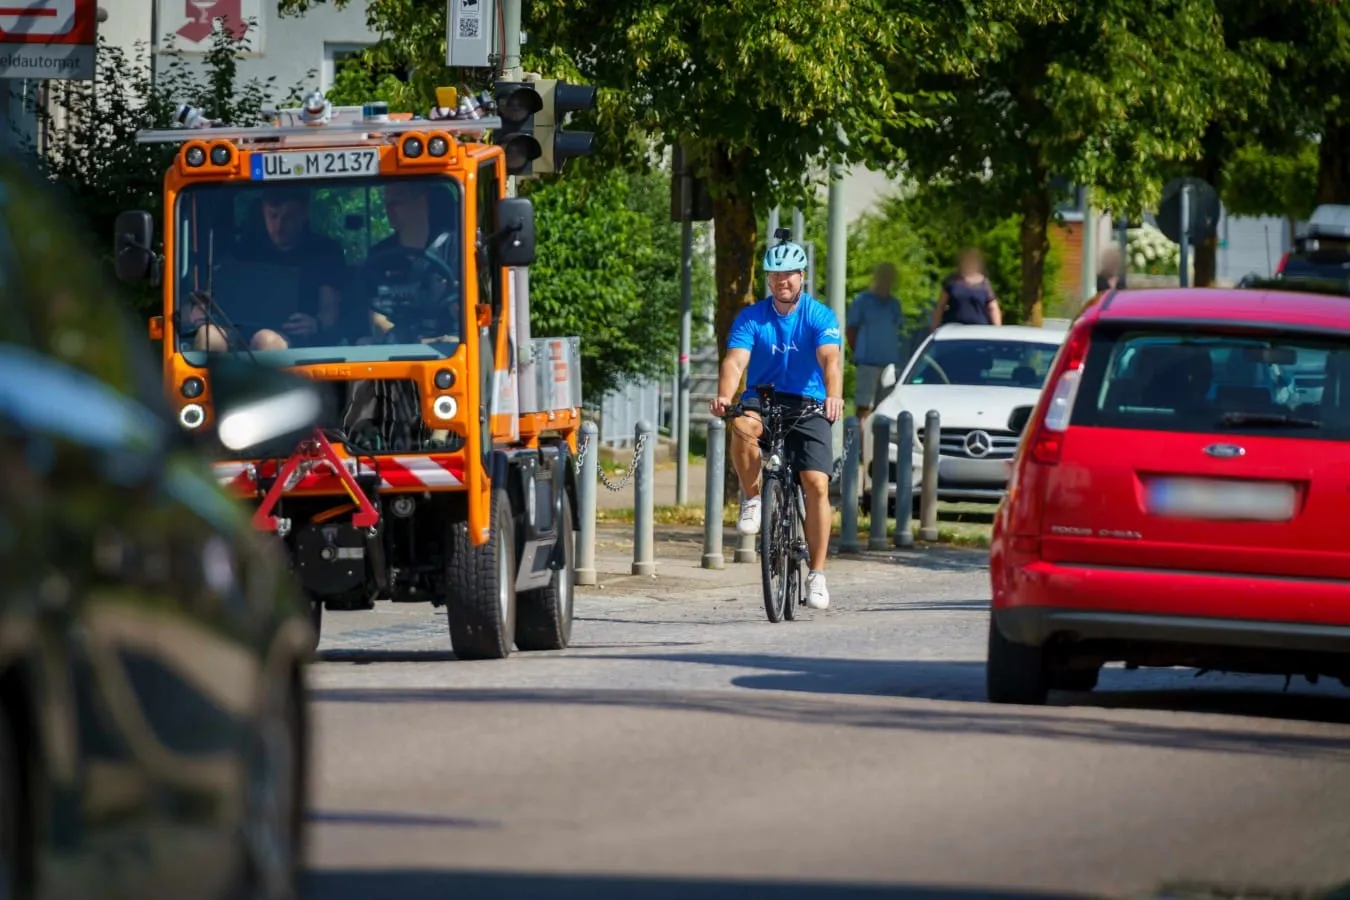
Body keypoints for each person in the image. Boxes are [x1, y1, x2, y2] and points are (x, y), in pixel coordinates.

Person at [710, 237, 844, 610]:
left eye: (788, 274)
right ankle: (753, 499)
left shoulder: (819, 316)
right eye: (773, 275)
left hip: (809, 401)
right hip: (764, 396)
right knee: (742, 425)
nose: (780, 280)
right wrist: (725, 395)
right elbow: (735, 361)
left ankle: (816, 574)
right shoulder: (752, 317)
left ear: (802, 275)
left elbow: (830, 359)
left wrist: (834, 394)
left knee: (816, 483)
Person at [193, 186, 346, 351]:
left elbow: (330, 312)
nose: (279, 226)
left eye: (289, 217)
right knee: (208, 336)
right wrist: (199, 310)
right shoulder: (242, 250)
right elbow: (206, 295)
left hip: (292, 337)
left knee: (265, 341)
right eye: (273, 216)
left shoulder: (325, 252)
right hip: (237, 329)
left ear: (304, 214)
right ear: (263, 211)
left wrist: (316, 323)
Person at [846, 261, 904, 425]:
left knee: (885, 409)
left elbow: (897, 332)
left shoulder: (894, 304)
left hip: (889, 365)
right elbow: (851, 330)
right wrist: (860, 352)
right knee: (865, 408)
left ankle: (880, 448)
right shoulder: (862, 301)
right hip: (868, 363)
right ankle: (862, 450)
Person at [931, 246, 1002, 330]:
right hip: (954, 330)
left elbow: (993, 308)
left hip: (980, 330)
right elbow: (940, 306)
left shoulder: (984, 284)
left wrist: (997, 330)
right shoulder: (952, 282)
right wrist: (934, 329)